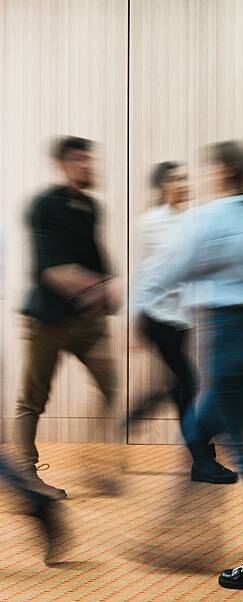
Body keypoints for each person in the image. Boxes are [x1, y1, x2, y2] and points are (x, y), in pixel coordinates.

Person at [135, 141, 243, 589]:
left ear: (224, 170)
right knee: (198, 427)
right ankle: (182, 534)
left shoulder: (210, 218)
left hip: (227, 342)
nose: (198, 178)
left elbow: (169, 270)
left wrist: (134, 312)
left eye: (205, 170)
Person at [15, 136, 123, 500]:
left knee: (110, 386)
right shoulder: (44, 206)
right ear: (61, 164)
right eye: (80, 160)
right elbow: (50, 270)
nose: (89, 166)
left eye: (90, 160)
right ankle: (27, 477)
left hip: (85, 323)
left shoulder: (91, 207)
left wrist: (107, 288)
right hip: (47, 321)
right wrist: (99, 285)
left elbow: (96, 259)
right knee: (32, 400)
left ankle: (95, 462)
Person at [129, 161, 237, 483]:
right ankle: (202, 460)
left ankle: (155, 406)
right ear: (163, 185)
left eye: (185, 178)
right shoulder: (151, 223)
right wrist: (134, 319)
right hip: (158, 316)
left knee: (183, 387)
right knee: (188, 385)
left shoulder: (192, 220)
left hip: (183, 319)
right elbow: (146, 273)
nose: (183, 183)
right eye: (176, 179)